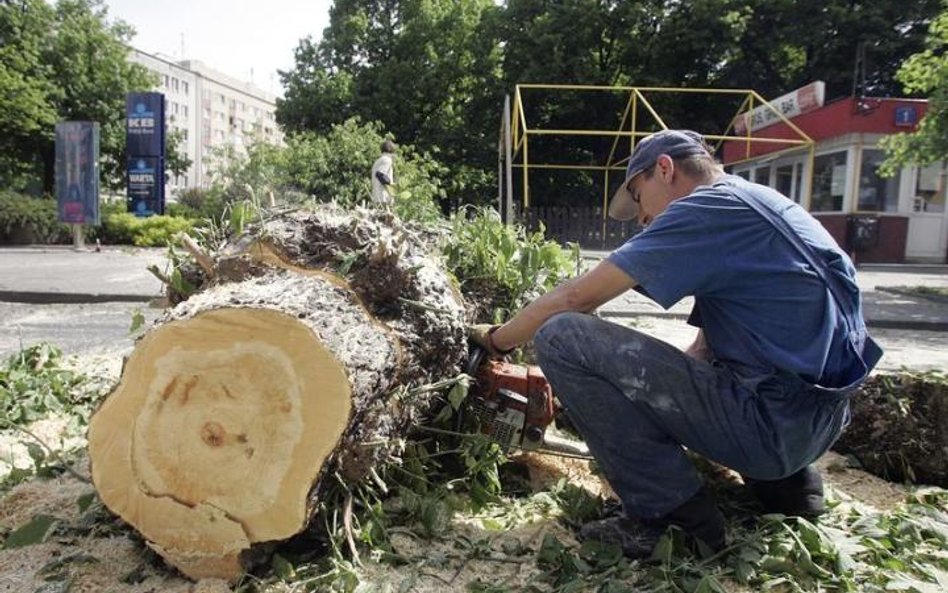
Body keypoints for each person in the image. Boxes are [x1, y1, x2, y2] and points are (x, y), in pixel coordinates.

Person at [469, 129, 882, 558]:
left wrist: (497, 342)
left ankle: (673, 519)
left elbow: (576, 298)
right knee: (742, 367)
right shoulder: (764, 203)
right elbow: (706, 348)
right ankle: (791, 489)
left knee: (561, 336)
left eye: (638, 197)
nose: (643, 219)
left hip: (768, 427)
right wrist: (651, 409)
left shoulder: (702, 211)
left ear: (664, 170)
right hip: (818, 424)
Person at [370, 139, 397, 209]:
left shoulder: (379, 160)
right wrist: (391, 185)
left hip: (377, 196)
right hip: (383, 196)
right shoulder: (387, 160)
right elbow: (380, 174)